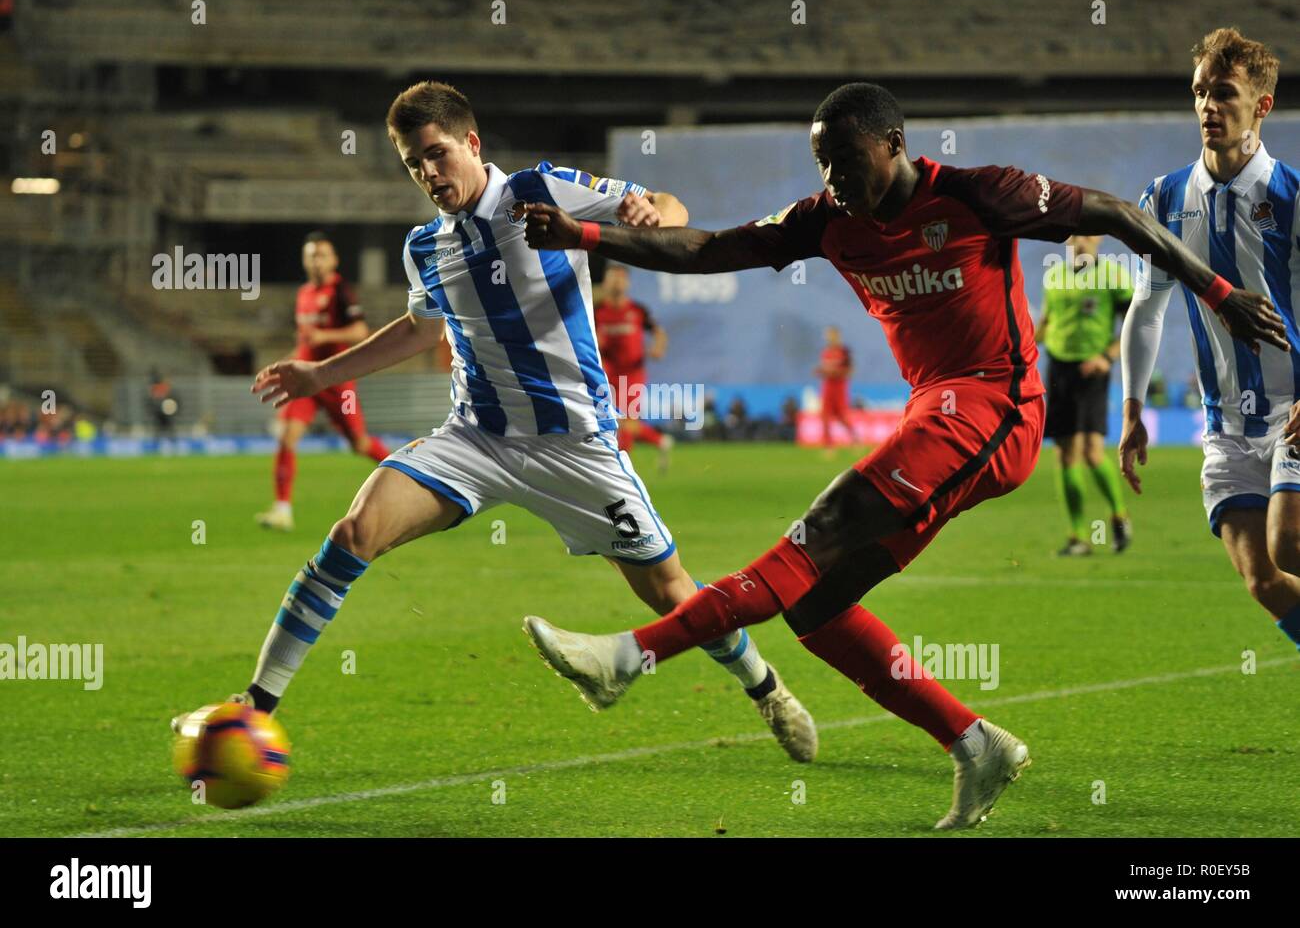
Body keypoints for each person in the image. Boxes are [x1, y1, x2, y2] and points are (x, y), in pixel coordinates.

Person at [520, 81, 1285, 829]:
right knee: (816, 605)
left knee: (821, 528)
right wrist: (585, 235)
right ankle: (975, 742)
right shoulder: (826, 220)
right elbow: (707, 248)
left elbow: (1116, 213)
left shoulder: (982, 194)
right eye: (823, 164)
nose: (835, 180)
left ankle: (629, 657)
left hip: (999, 408)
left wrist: (1219, 294)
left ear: (894, 145)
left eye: (847, 161)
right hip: (939, 415)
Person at [177, 81, 817, 762]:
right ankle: (254, 707)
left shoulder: (541, 191)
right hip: (476, 438)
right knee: (353, 532)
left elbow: (668, 206)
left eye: (436, 153)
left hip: (576, 445)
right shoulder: (425, 246)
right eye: (412, 163)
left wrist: (645, 209)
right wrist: (319, 374)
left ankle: (767, 687)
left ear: (471, 144)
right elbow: (421, 329)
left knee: (672, 592)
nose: (428, 173)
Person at [1120, 27, 1300, 652]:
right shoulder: (1165, 198)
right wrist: (1134, 408)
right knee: (1264, 580)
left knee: (1289, 543)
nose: (1207, 107)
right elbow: (1147, 307)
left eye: (1224, 93)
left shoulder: (1292, 197)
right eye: (1199, 92)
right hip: (1223, 424)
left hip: (1294, 415)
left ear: (1262, 106)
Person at [254, 232, 390, 532]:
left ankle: (407, 473)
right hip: (305, 380)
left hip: (337, 381)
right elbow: (305, 343)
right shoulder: (303, 294)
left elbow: (360, 332)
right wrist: (282, 367)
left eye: (322, 255)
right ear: (304, 260)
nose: (316, 261)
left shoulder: (342, 292)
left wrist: (326, 336)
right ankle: (282, 510)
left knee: (359, 443)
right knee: (287, 437)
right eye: (311, 255)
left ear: (334, 260)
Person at [1037, 234, 1133, 556]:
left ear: (1099, 239)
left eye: (1087, 236)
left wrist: (1108, 357)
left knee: (1092, 451)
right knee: (1065, 454)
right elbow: (1046, 322)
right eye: (1074, 236)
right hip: (1058, 370)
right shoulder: (1054, 276)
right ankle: (1078, 536)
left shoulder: (1113, 275)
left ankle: (1119, 516)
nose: (1080, 242)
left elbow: (1135, 323)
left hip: (1093, 369)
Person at [594, 263, 674, 472]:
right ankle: (659, 442)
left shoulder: (638, 310)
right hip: (608, 372)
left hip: (632, 373)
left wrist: (658, 348)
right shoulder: (597, 311)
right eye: (613, 277)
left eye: (621, 278)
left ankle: (622, 465)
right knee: (612, 420)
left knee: (626, 419)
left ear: (627, 282)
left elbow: (659, 332)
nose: (617, 282)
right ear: (606, 281)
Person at [816, 325, 854, 449]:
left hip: (840, 387)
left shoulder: (844, 352)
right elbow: (823, 369)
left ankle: (854, 438)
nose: (829, 337)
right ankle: (828, 445)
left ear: (837, 335)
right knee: (825, 416)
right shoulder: (826, 352)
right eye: (827, 335)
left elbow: (849, 370)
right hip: (827, 387)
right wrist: (821, 371)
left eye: (831, 334)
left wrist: (835, 373)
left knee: (841, 416)